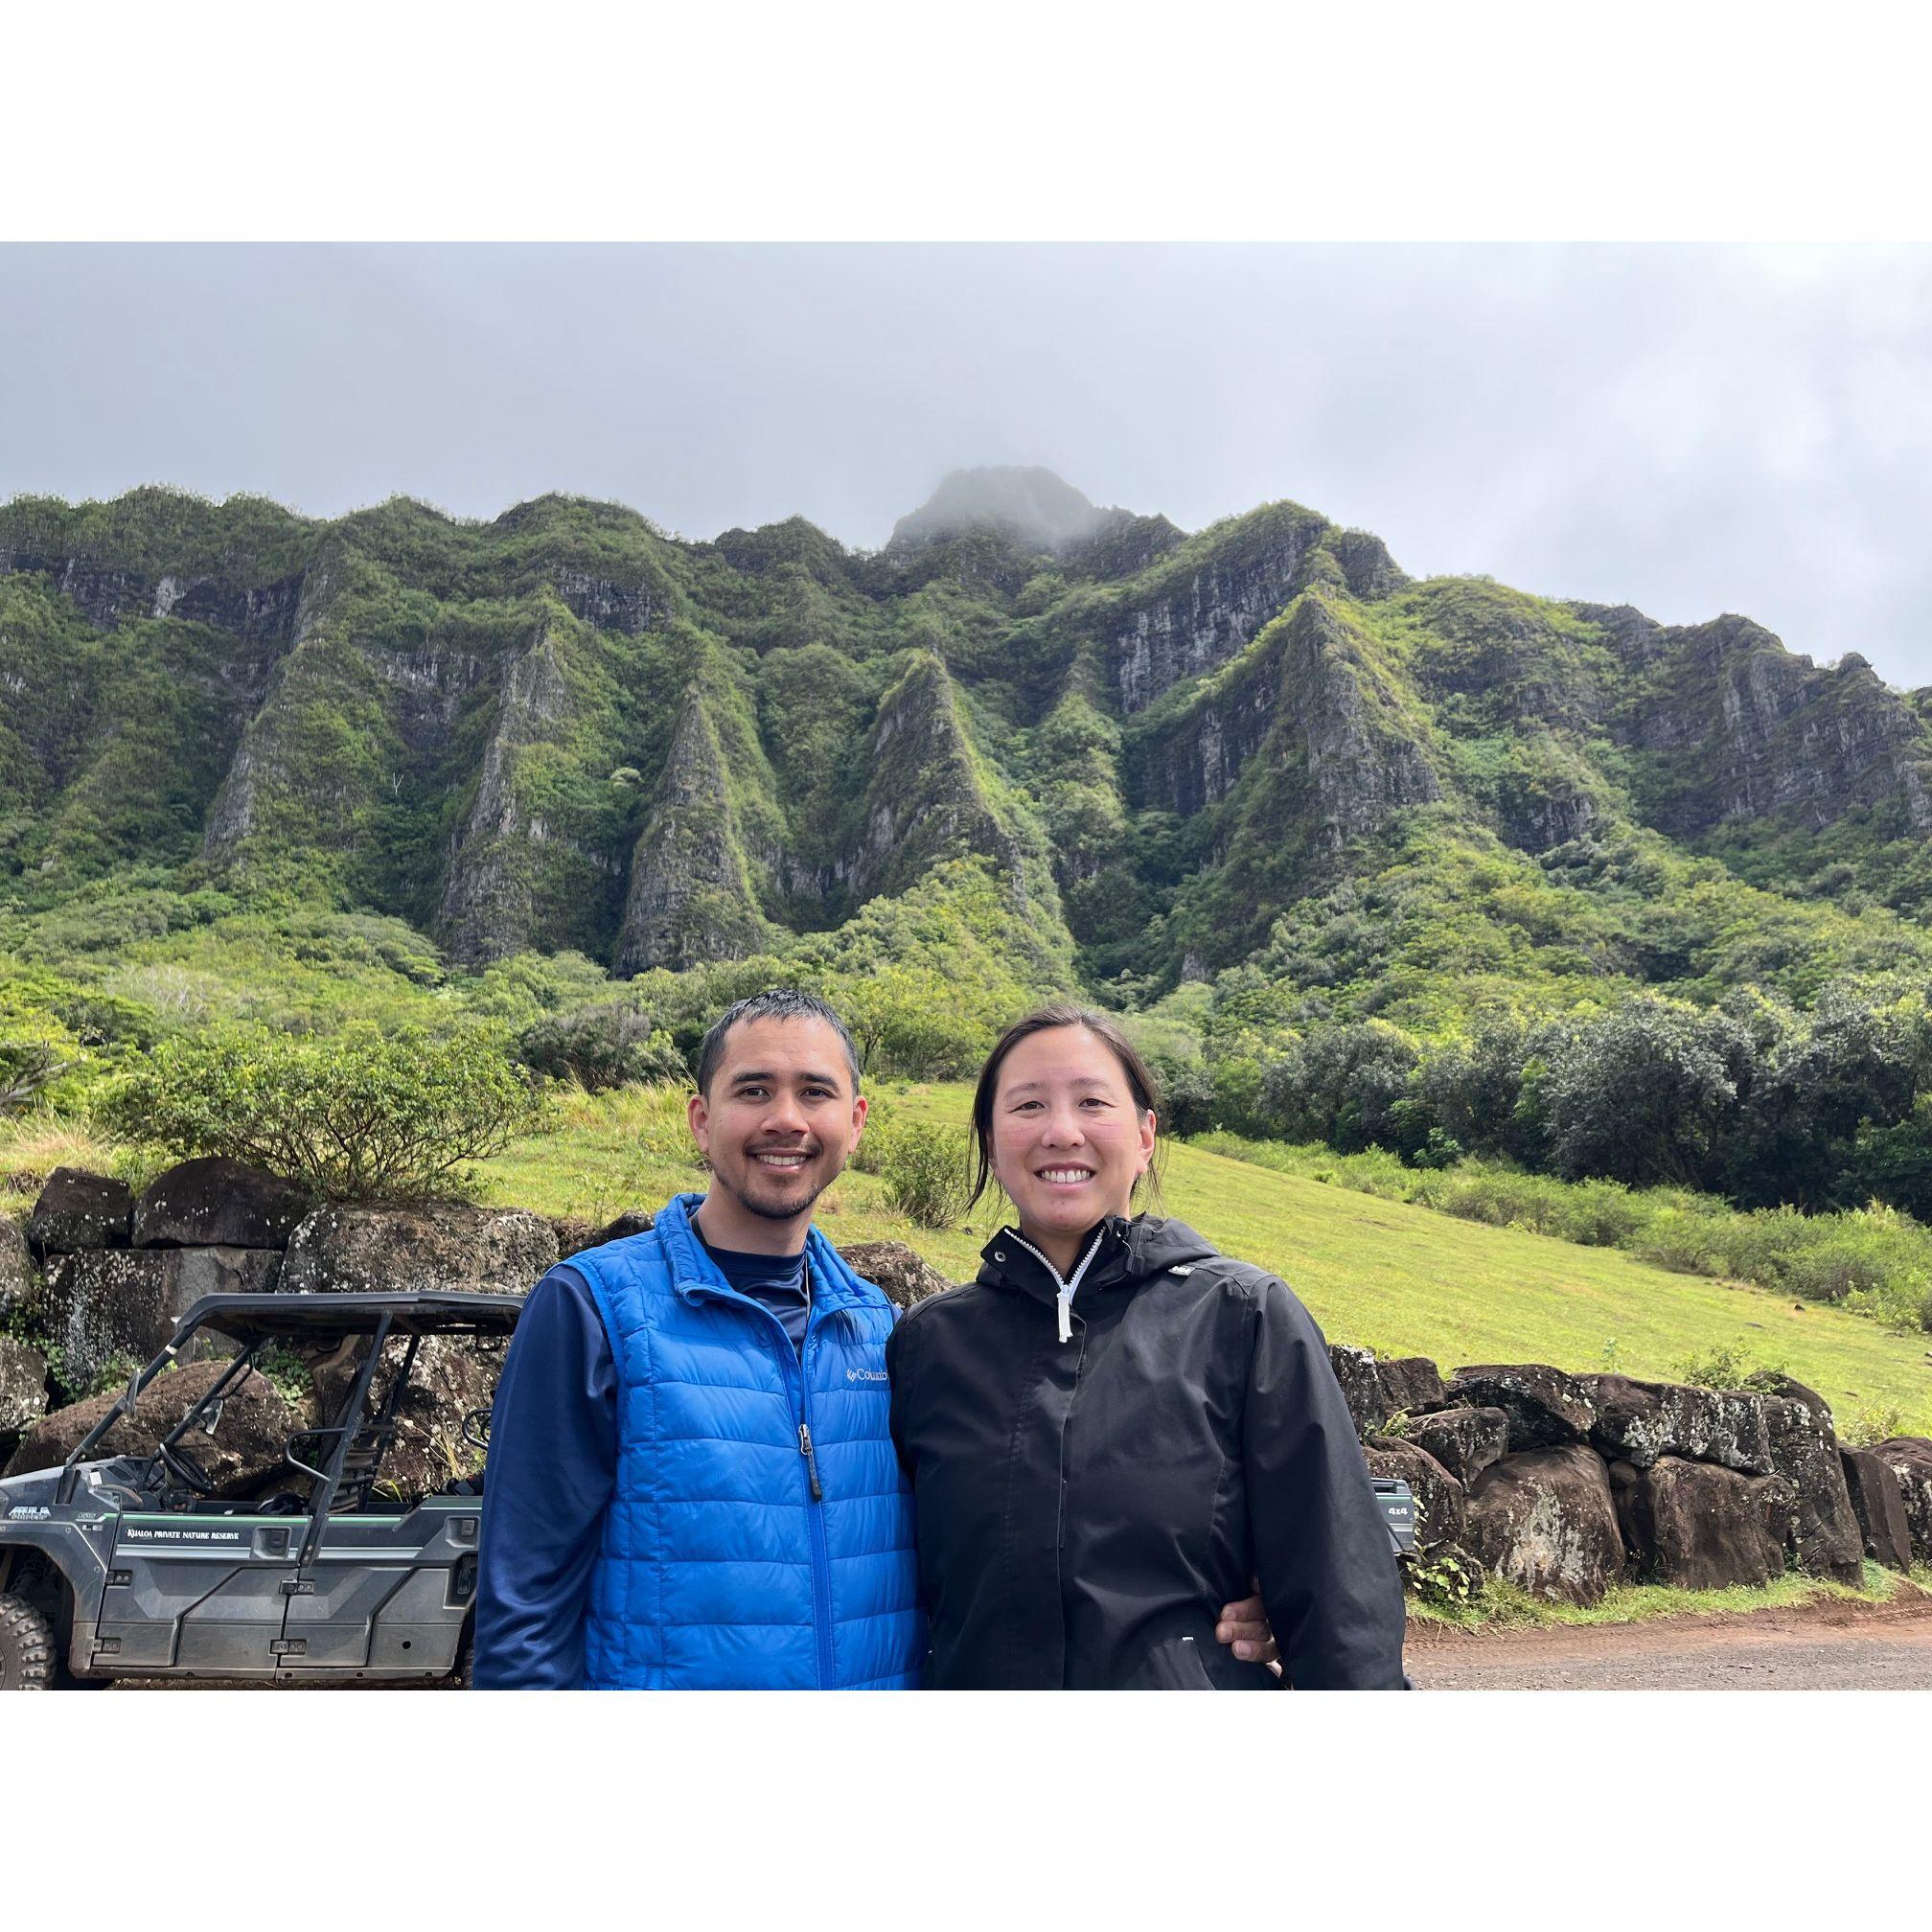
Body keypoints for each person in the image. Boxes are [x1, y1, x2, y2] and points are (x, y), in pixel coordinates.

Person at [472, 987, 1279, 1688]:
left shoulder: (886, 1333)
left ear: (854, 1123)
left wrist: (1233, 1585)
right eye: (753, 1089)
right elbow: (524, 1605)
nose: (785, 1119)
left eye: (814, 1093)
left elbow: (985, 1544)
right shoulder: (595, 1309)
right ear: (701, 1118)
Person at [886, 1002, 1410, 1690]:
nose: (1061, 1131)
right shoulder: (928, 1345)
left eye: (1092, 1102)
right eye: (1028, 1106)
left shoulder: (1242, 1318)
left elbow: (1341, 1602)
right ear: (990, 1139)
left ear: (1144, 1137)